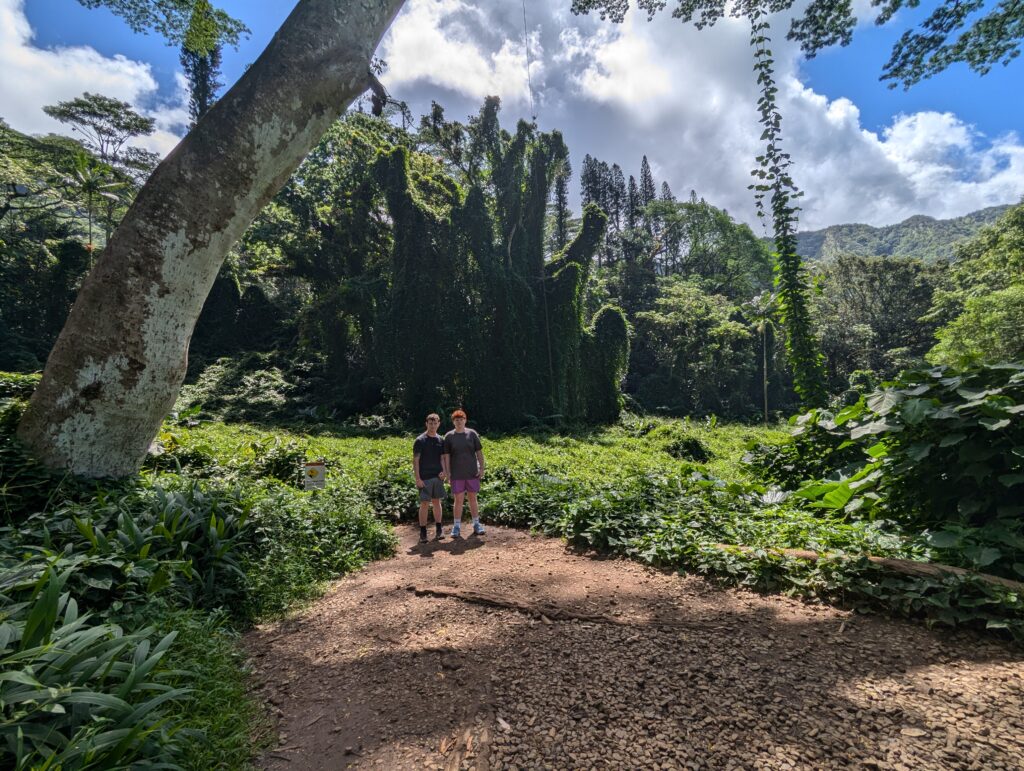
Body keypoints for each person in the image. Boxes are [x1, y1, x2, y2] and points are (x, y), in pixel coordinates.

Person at [442, 409, 485, 537]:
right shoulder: (449, 436)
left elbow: (479, 453)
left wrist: (482, 468)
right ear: (453, 422)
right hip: (456, 474)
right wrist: (448, 473)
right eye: (456, 420)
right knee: (458, 500)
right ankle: (456, 526)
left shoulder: (472, 434)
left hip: (472, 473)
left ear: (465, 420)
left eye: (461, 419)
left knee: (473, 499)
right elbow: (446, 456)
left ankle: (476, 524)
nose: (459, 422)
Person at [413, 413, 446, 543]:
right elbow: (416, 461)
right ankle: (423, 532)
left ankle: (439, 530)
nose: (433, 425)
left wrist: (444, 471)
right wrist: (417, 478)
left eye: (435, 423)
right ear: (426, 424)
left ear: (439, 424)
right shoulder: (420, 440)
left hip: (437, 477)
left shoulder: (440, 440)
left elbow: (442, 458)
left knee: (437, 502)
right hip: (424, 478)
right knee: (425, 504)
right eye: (430, 423)